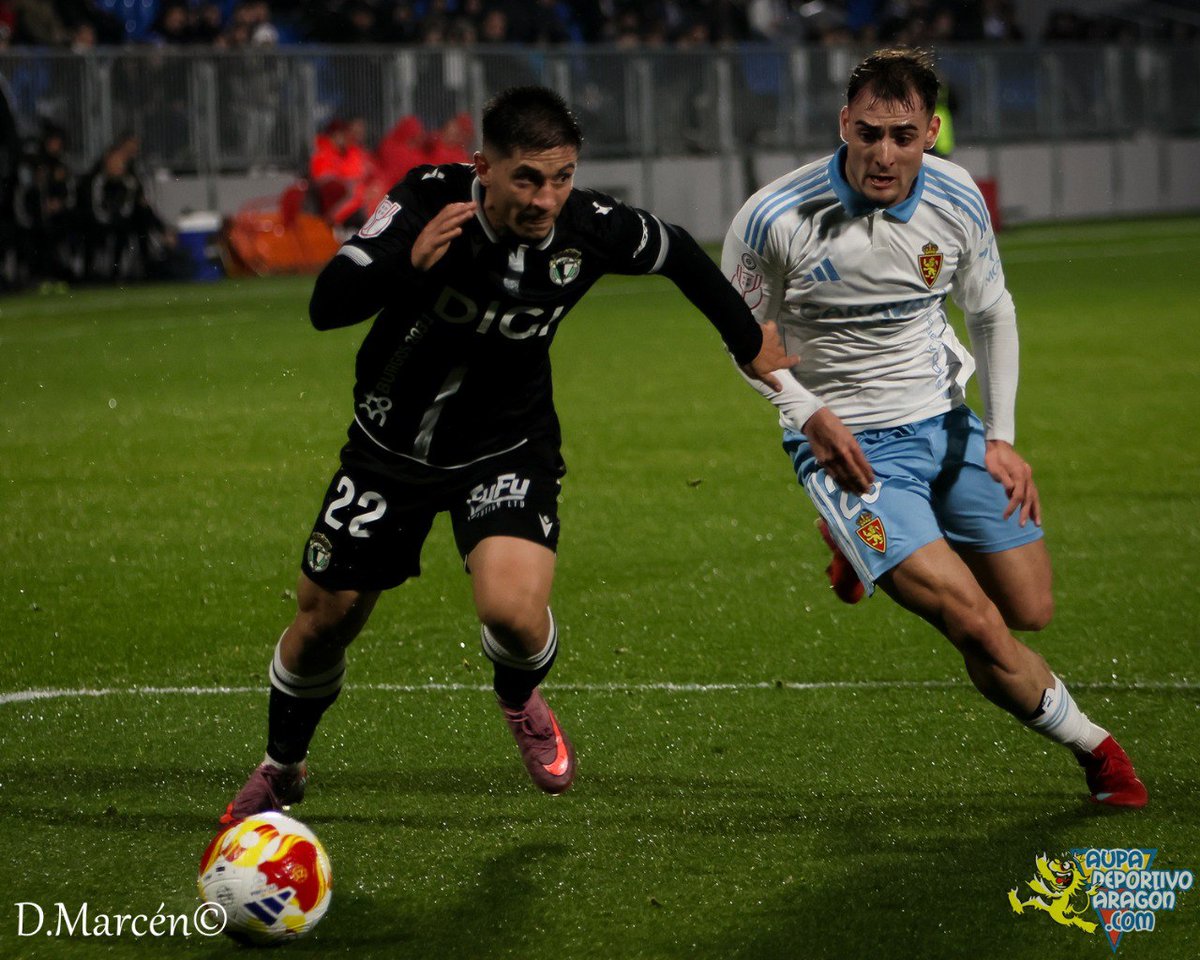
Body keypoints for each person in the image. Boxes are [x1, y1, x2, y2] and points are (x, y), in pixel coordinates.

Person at [223, 85, 795, 821]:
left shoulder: (588, 227)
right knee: (326, 615)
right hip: (389, 447)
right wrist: (406, 267)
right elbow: (325, 305)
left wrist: (748, 341)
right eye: (526, 178)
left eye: (561, 178)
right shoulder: (429, 203)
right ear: (481, 168)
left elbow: (679, 251)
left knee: (513, 615)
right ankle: (282, 767)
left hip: (507, 447)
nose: (546, 198)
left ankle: (519, 695)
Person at [722, 48, 1147, 808]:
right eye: (870, 132)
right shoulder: (771, 219)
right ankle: (1098, 753)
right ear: (843, 123)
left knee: (1029, 611)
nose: (884, 154)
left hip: (949, 428)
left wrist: (1003, 435)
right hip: (848, 456)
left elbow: (991, 311)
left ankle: (855, 549)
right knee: (977, 625)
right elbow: (744, 343)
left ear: (932, 132)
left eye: (904, 135)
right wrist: (809, 414)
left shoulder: (956, 197)